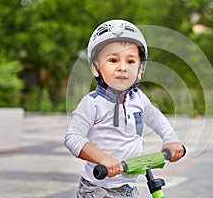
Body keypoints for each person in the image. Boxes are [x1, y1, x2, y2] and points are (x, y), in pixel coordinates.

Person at [64, 19, 184, 198]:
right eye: (113, 60)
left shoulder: (139, 99)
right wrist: (102, 158)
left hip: (128, 187)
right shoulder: (92, 103)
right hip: (97, 189)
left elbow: (157, 120)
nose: (122, 67)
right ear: (96, 68)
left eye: (130, 61)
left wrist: (171, 140)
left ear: (140, 69)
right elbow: (72, 137)